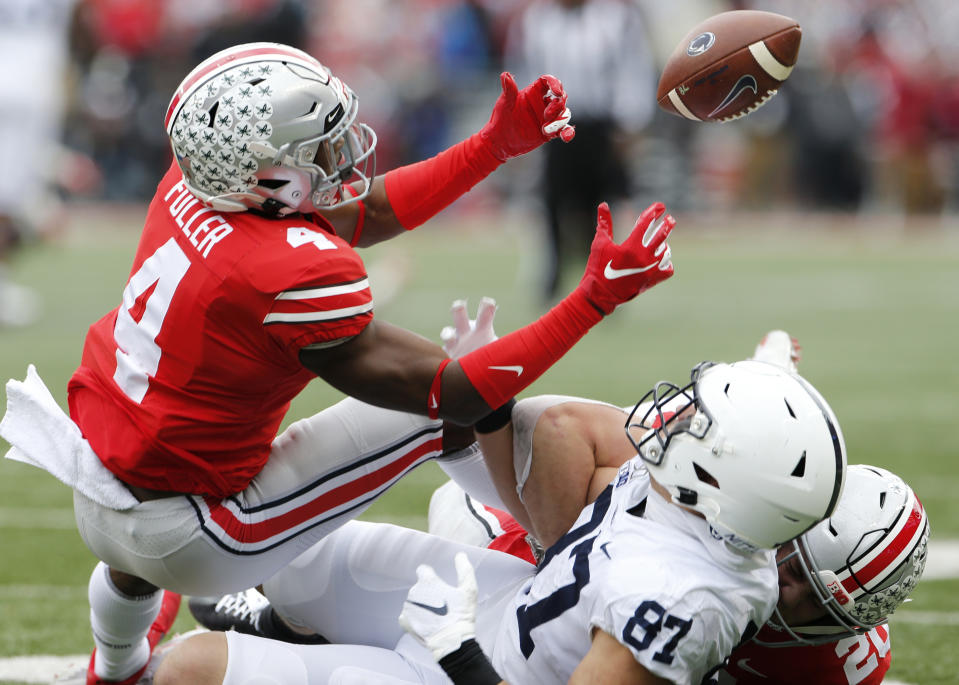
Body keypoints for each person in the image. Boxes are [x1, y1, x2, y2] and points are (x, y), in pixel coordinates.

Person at [0, 41, 679, 685]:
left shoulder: (197, 181)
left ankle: (111, 669)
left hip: (98, 479)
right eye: (315, 143)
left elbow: (359, 208)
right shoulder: (281, 271)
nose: (337, 150)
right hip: (198, 535)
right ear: (264, 171)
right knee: (434, 417)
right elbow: (456, 393)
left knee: (135, 553)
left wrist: (493, 145)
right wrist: (589, 301)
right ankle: (545, 555)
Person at [154, 337, 848, 684]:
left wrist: (457, 652)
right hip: (495, 604)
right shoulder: (727, 501)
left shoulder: (677, 599)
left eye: (698, 425)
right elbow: (562, 430)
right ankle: (289, 629)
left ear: (717, 479)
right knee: (271, 546)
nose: (675, 419)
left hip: (468, 671)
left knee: (188, 668)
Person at [504, 0, 657, 302]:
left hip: (601, 127)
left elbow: (633, 71)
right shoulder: (535, 22)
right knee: (550, 203)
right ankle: (552, 275)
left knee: (601, 206)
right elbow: (522, 72)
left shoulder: (617, 19)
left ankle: (603, 280)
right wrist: (523, 125)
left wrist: (630, 121)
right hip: (554, 126)